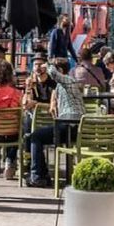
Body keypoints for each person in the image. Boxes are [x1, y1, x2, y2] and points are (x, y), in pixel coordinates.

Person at [24, 57, 85, 187]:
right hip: (70, 125)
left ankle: (37, 176)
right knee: (37, 135)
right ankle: (43, 174)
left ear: (61, 71)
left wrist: (48, 64)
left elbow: (53, 73)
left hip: (70, 126)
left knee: (35, 136)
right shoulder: (61, 86)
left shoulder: (67, 81)